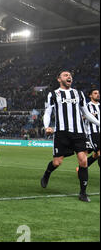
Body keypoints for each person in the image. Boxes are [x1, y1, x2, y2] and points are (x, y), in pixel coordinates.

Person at [41, 71, 99, 202]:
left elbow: (86, 113)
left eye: (70, 75)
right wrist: (47, 126)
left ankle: (83, 193)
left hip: (79, 132)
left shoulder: (78, 94)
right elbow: (48, 112)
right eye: (65, 75)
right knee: (57, 162)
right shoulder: (53, 94)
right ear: (59, 79)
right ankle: (47, 173)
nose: (69, 77)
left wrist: (99, 123)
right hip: (62, 133)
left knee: (83, 161)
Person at [82, 89, 100, 169]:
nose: (98, 94)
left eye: (98, 93)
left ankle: (81, 168)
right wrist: (87, 116)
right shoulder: (86, 106)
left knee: (96, 155)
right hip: (93, 133)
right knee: (99, 153)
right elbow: (79, 118)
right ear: (90, 95)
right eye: (95, 93)